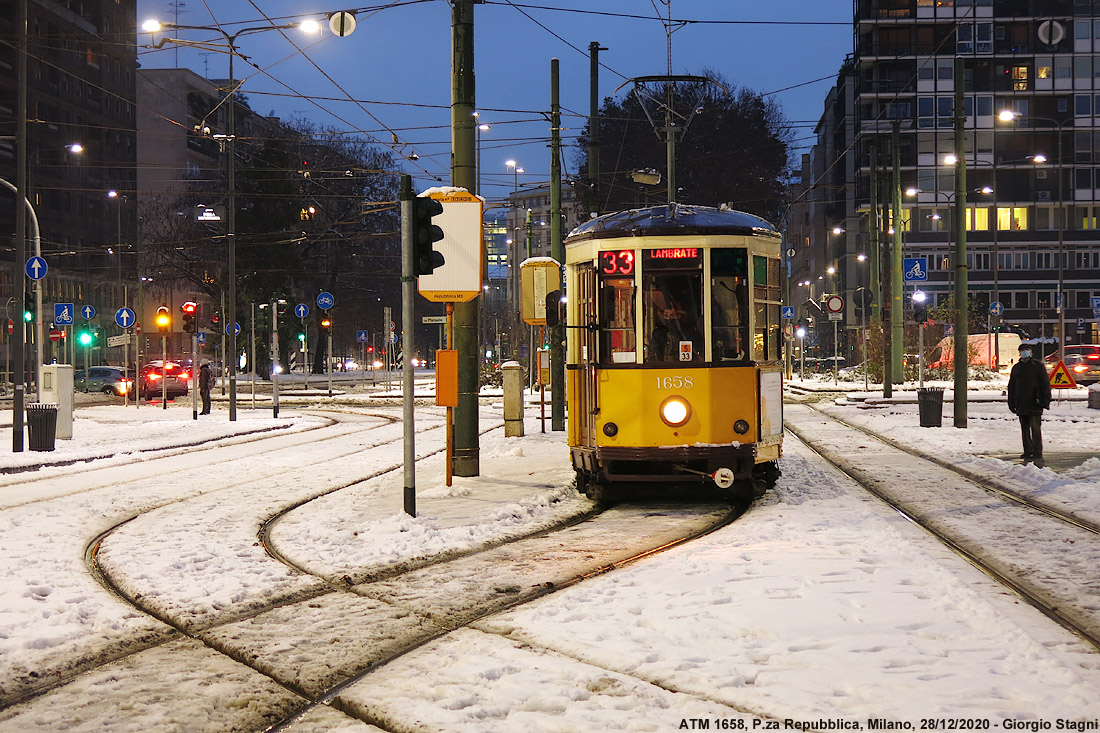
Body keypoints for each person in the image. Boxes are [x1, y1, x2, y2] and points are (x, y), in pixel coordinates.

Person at [1007, 343, 1051, 464]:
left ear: (1031, 352)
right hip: (1021, 402)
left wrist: (1045, 400)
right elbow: (1012, 386)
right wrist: (1011, 402)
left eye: (1027, 350)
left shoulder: (1037, 366)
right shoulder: (1017, 368)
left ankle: (1037, 451)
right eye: (1022, 351)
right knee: (1024, 429)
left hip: (1035, 402)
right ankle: (1028, 450)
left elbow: (1045, 384)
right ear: (1019, 353)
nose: (1024, 353)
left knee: (1035, 428)